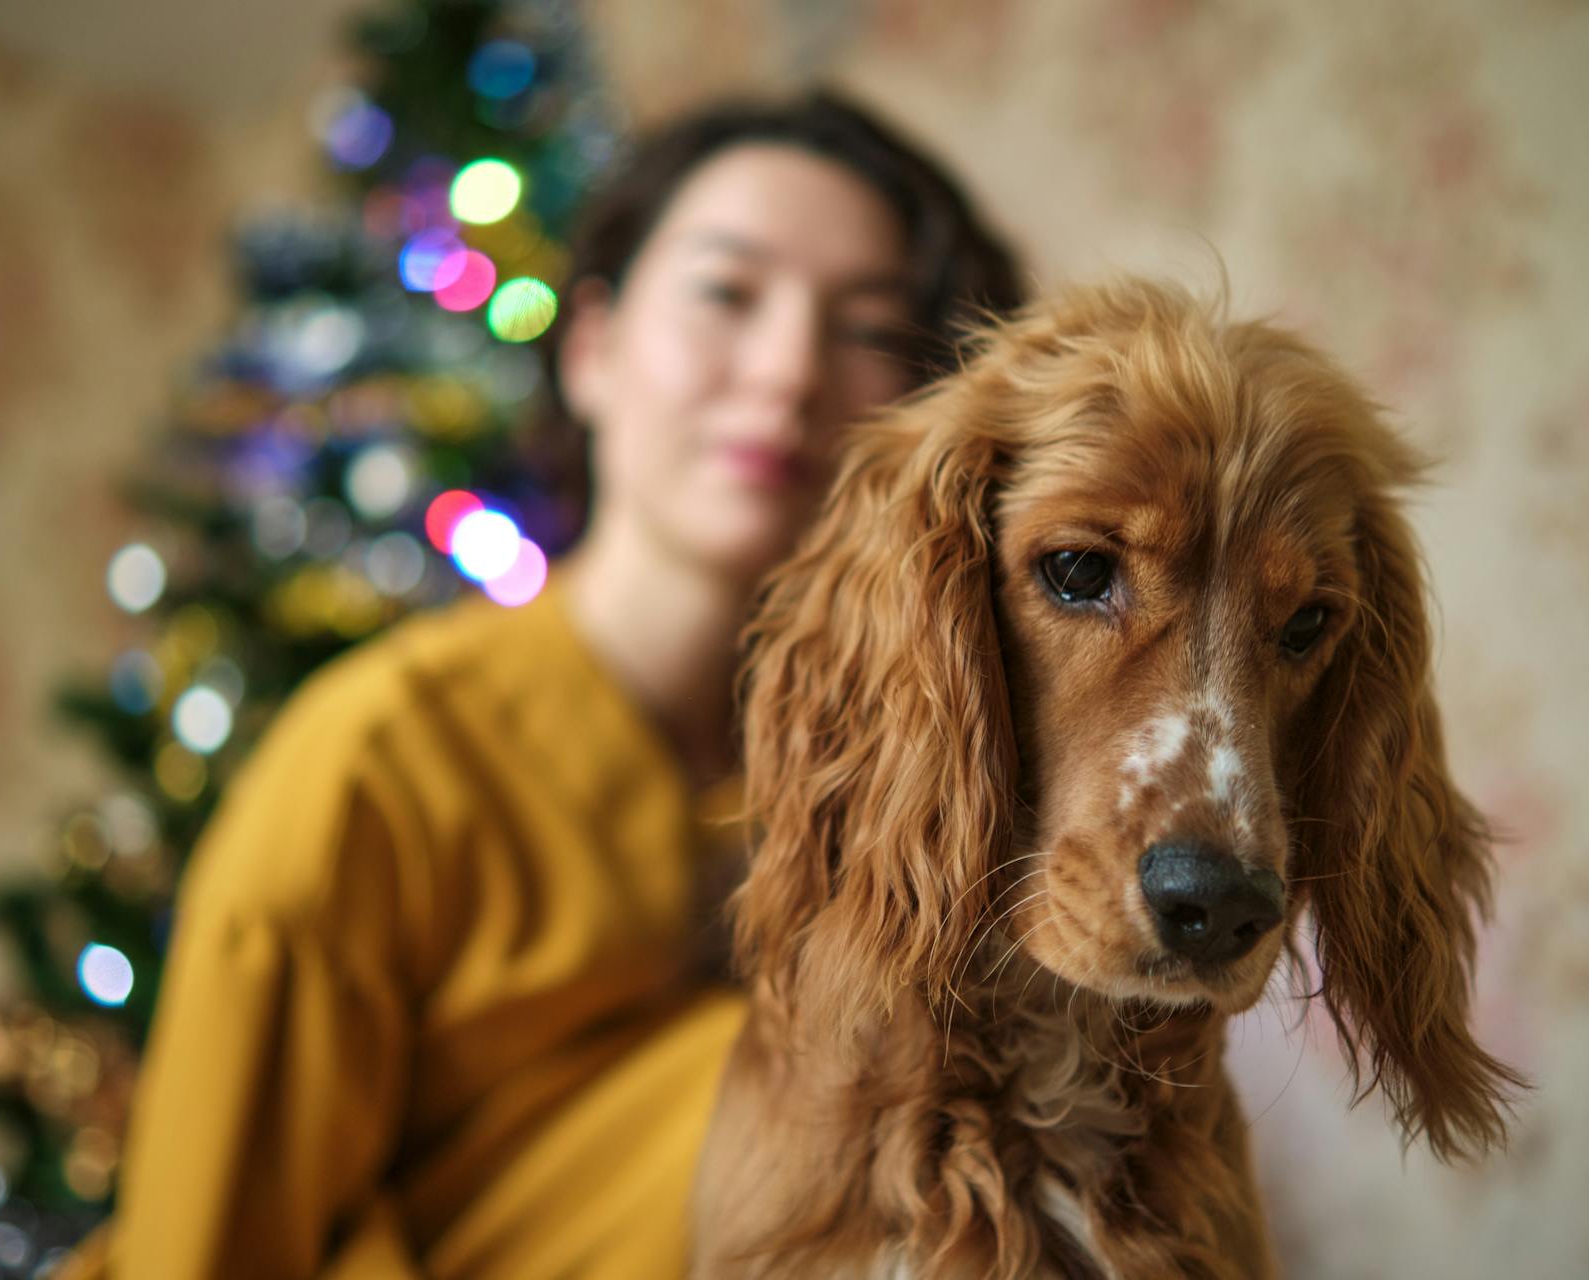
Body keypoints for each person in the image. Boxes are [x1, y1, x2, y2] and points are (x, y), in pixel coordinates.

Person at [60, 91, 1025, 1280]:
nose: (786, 373)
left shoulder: (923, 793)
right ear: (593, 349)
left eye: (871, 330)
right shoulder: (380, 763)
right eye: (726, 294)